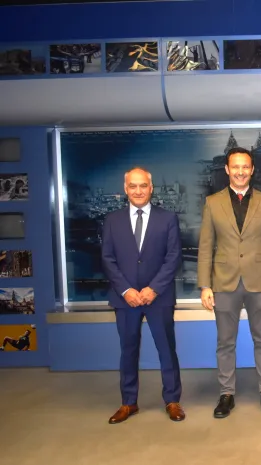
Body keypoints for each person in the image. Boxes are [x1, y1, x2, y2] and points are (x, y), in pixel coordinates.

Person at [198, 147, 261, 418]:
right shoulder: (212, 203)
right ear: (227, 170)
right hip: (224, 283)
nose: (240, 171)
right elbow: (205, 246)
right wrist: (205, 285)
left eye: (245, 166)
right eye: (235, 167)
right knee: (225, 342)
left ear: (252, 169)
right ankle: (226, 394)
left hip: (260, 282)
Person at [101, 167, 184, 424]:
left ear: (151, 188)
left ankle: (172, 400)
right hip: (125, 299)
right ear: (125, 189)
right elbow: (107, 258)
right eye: (133, 186)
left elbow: (173, 257)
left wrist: (154, 288)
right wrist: (126, 290)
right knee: (128, 350)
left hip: (159, 297)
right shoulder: (112, 220)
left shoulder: (167, 218)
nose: (138, 191)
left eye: (143, 185)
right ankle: (128, 402)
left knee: (166, 349)